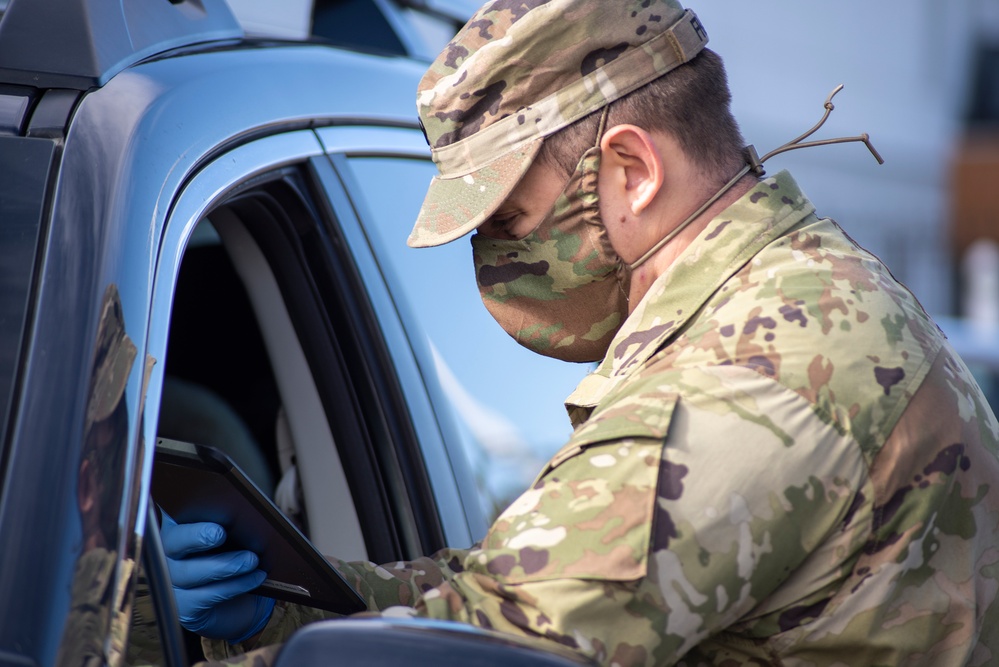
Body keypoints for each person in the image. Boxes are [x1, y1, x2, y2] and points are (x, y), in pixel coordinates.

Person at [164, 1, 999, 665]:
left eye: (513, 220)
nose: (497, 258)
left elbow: (501, 645)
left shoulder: (757, 371)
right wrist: (287, 606)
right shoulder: (796, 295)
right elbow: (500, 602)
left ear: (631, 173)